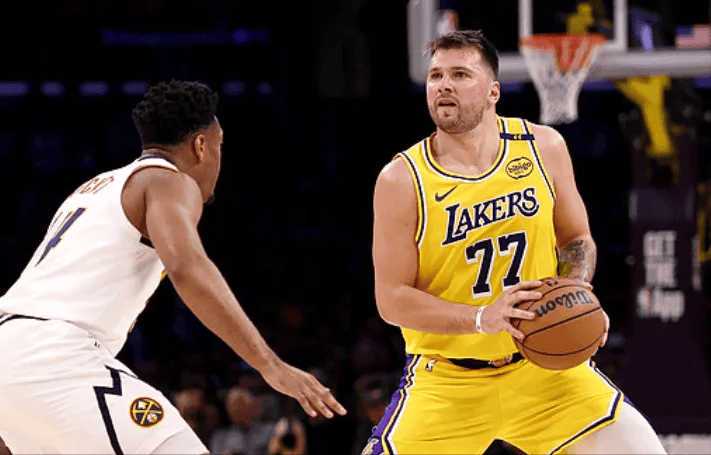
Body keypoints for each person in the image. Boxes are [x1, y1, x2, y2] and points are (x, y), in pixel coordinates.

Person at [0, 80, 346, 454]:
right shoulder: (167, 179)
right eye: (219, 146)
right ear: (201, 146)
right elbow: (187, 268)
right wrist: (270, 365)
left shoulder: (95, 187)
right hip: (53, 354)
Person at [364, 30, 667, 455]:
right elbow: (392, 299)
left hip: (546, 373)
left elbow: (576, 238)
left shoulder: (543, 147)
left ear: (493, 91)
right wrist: (480, 318)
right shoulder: (401, 180)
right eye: (436, 76)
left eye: (460, 74)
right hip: (447, 382)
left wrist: (576, 291)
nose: (444, 85)